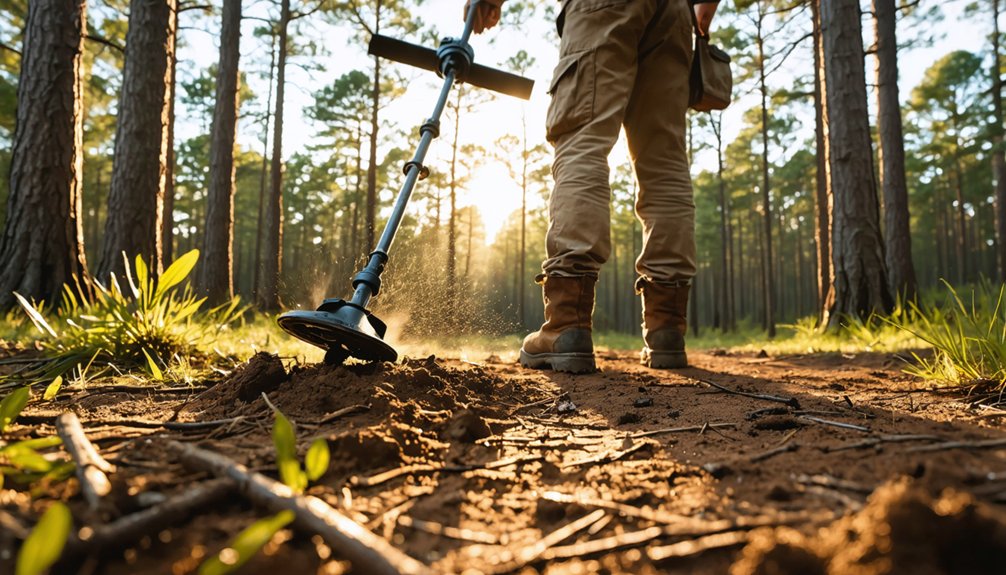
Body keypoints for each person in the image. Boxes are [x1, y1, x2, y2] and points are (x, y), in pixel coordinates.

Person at [465, 0, 720, 373]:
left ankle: (567, 324)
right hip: (675, 11)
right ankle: (667, 329)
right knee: (664, 164)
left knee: (583, 136)